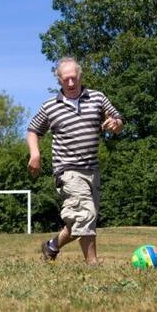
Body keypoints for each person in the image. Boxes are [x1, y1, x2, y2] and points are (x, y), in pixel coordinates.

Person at [27, 57, 123, 266]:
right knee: (85, 213)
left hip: (92, 169)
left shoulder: (97, 98)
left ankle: (51, 246)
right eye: (66, 79)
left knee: (82, 219)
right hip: (67, 170)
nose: (71, 83)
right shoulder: (50, 106)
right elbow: (33, 131)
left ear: (80, 76)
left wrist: (115, 124)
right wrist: (35, 154)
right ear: (59, 80)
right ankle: (93, 263)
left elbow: (117, 120)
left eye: (74, 78)